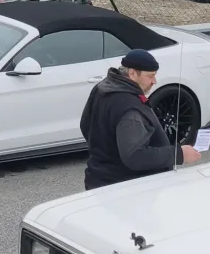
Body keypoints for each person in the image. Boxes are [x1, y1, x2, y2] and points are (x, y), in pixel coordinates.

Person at [80, 50, 201, 189]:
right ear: (132, 73)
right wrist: (179, 154)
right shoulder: (129, 108)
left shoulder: (102, 88)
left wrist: (106, 149)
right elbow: (134, 156)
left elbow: (85, 125)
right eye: (150, 76)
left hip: (97, 177)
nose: (154, 81)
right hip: (122, 187)